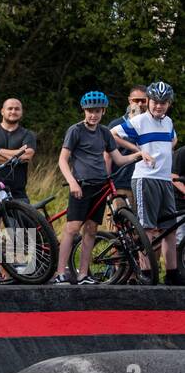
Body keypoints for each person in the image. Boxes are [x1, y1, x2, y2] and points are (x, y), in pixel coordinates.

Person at [57, 92, 142, 285]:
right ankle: (60, 273)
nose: (92, 115)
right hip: (81, 185)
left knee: (91, 229)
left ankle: (83, 274)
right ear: (84, 111)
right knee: (72, 228)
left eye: (96, 111)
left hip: (100, 185)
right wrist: (72, 182)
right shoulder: (75, 130)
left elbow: (118, 159)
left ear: (103, 111)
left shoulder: (104, 132)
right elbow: (62, 160)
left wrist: (139, 154)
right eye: (89, 111)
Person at [113, 81, 180, 285]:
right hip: (145, 179)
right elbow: (112, 134)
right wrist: (139, 151)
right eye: (155, 102)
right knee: (147, 228)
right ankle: (147, 272)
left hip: (164, 179)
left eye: (164, 103)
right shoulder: (140, 121)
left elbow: (173, 140)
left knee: (170, 229)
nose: (159, 106)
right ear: (149, 101)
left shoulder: (168, 122)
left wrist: (163, 151)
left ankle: (172, 273)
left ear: (168, 104)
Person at [0, 99, 37, 202]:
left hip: (18, 193)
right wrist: (17, 154)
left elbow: (27, 156)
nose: (13, 111)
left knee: (26, 218)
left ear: (21, 112)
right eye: (10, 108)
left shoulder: (28, 134)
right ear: (2, 111)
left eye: (17, 109)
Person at [111, 86, 148, 201]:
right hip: (122, 184)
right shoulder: (116, 125)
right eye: (137, 100)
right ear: (130, 100)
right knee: (120, 219)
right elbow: (106, 156)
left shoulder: (153, 124)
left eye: (144, 100)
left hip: (146, 184)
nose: (140, 104)